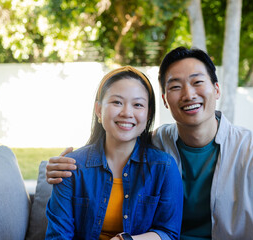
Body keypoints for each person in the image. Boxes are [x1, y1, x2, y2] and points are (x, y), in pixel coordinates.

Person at [46, 47, 253, 240]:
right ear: (164, 100)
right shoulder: (155, 144)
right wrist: (60, 166)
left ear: (216, 89)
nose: (188, 94)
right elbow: (116, 142)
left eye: (197, 82)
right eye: (175, 86)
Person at [45, 66, 183, 240]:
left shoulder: (164, 168)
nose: (126, 113)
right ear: (98, 110)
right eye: (117, 102)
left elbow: (169, 234)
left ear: (148, 115)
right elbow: (58, 236)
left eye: (138, 105)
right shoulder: (71, 167)